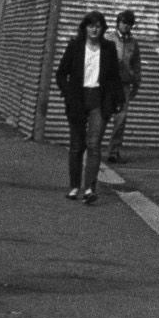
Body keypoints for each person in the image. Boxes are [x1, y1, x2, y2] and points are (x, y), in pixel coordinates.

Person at [54, 11, 120, 203]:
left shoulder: (108, 48)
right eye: (91, 25)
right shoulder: (75, 46)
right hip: (78, 99)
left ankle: (90, 188)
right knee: (77, 145)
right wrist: (68, 93)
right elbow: (61, 74)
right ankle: (74, 186)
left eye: (98, 25)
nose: (94, 29)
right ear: (85, 27)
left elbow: (114, 77)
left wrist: (116, 100)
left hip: (98, 100)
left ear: (103, 29)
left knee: (94, 144)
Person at [105, 9, 142, 162]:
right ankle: (90, 147)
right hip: (108, 84)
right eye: (124, 22)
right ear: (118, 23)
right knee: (101, 116)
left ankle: (113, 151)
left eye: (129, 24)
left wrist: (136, 83)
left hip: (124, 85)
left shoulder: (133, 43)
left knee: (120, 119)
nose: (126, 26)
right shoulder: (108, 38)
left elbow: (137, 64)